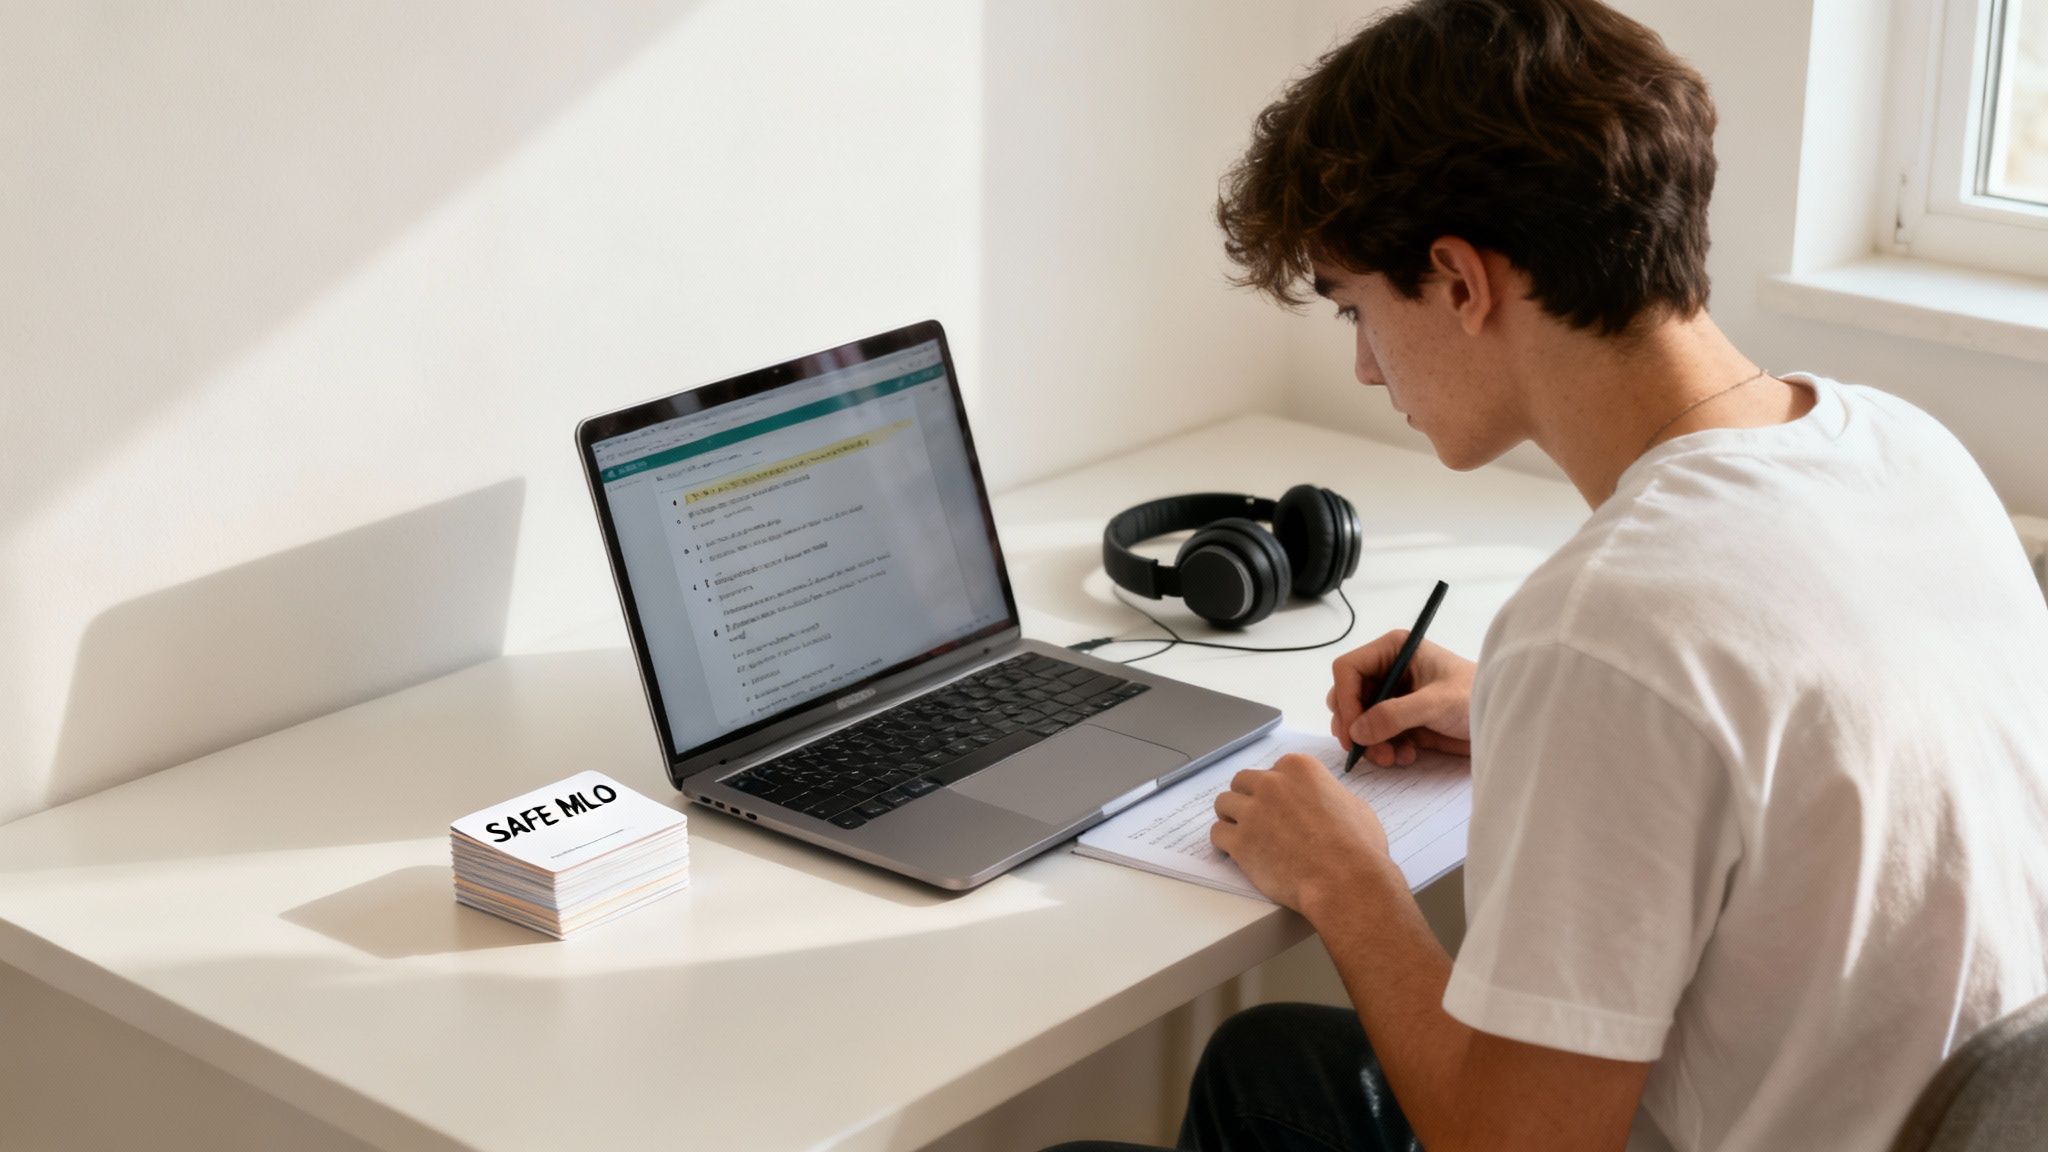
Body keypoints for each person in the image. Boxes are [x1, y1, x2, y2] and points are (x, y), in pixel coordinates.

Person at [1045, 0, 2048, 1149]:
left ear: (1460, 281)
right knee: (1266, 1064)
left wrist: (1348, 883)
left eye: (1356, 310)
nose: (1366, 369)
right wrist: (1523, 715)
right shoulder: (1897, 446)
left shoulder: (1612, 625)